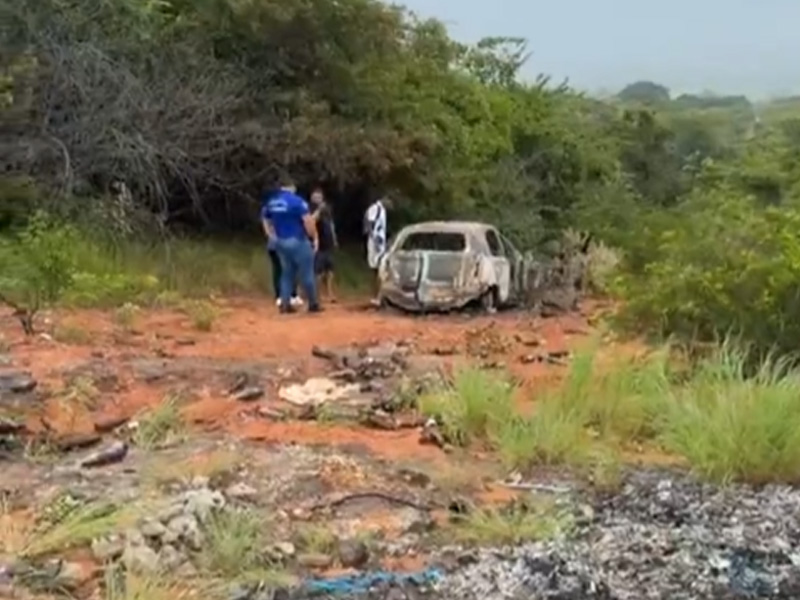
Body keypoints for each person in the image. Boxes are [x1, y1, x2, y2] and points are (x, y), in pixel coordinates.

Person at [262, 176, 321, 313]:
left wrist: (271, 235)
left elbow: (265, 218)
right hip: (298, 240)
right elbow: (308, 221)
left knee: (287, 273)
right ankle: (313, 303)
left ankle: (284, 304)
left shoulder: (272, 202)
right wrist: (314, 238)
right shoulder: (297, 202)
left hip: (280, 242)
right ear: (291, 187)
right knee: (307, 273)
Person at [262, 187, 302, 307]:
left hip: (279, 241)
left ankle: (288, 295)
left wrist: (270, 235)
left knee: (283, 268)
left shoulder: (270, 205)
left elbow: (265, 222)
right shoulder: (291, 205)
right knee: (282, 268)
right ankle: (284, 295)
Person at [309, 187, 338, 303]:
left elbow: (331, 224)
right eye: (315, 197)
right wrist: (319, 210)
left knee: (330, 270)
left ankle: (330, 293)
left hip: (328, 243)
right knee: (318, 271)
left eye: (319, 197)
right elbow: (311, 220)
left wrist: (335, 238)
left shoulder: (327, 210)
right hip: (318, 243)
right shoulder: (310, 208)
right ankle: (317, 295)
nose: (318, 199)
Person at [363, 195, 391, 305]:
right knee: (375, 268)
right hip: (375, 242)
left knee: (381, 268)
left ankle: (379, 295)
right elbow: (369, 223)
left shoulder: (383, 210)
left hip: (380, 242)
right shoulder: (376, 208)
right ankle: (375, 296)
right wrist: (373, 238)